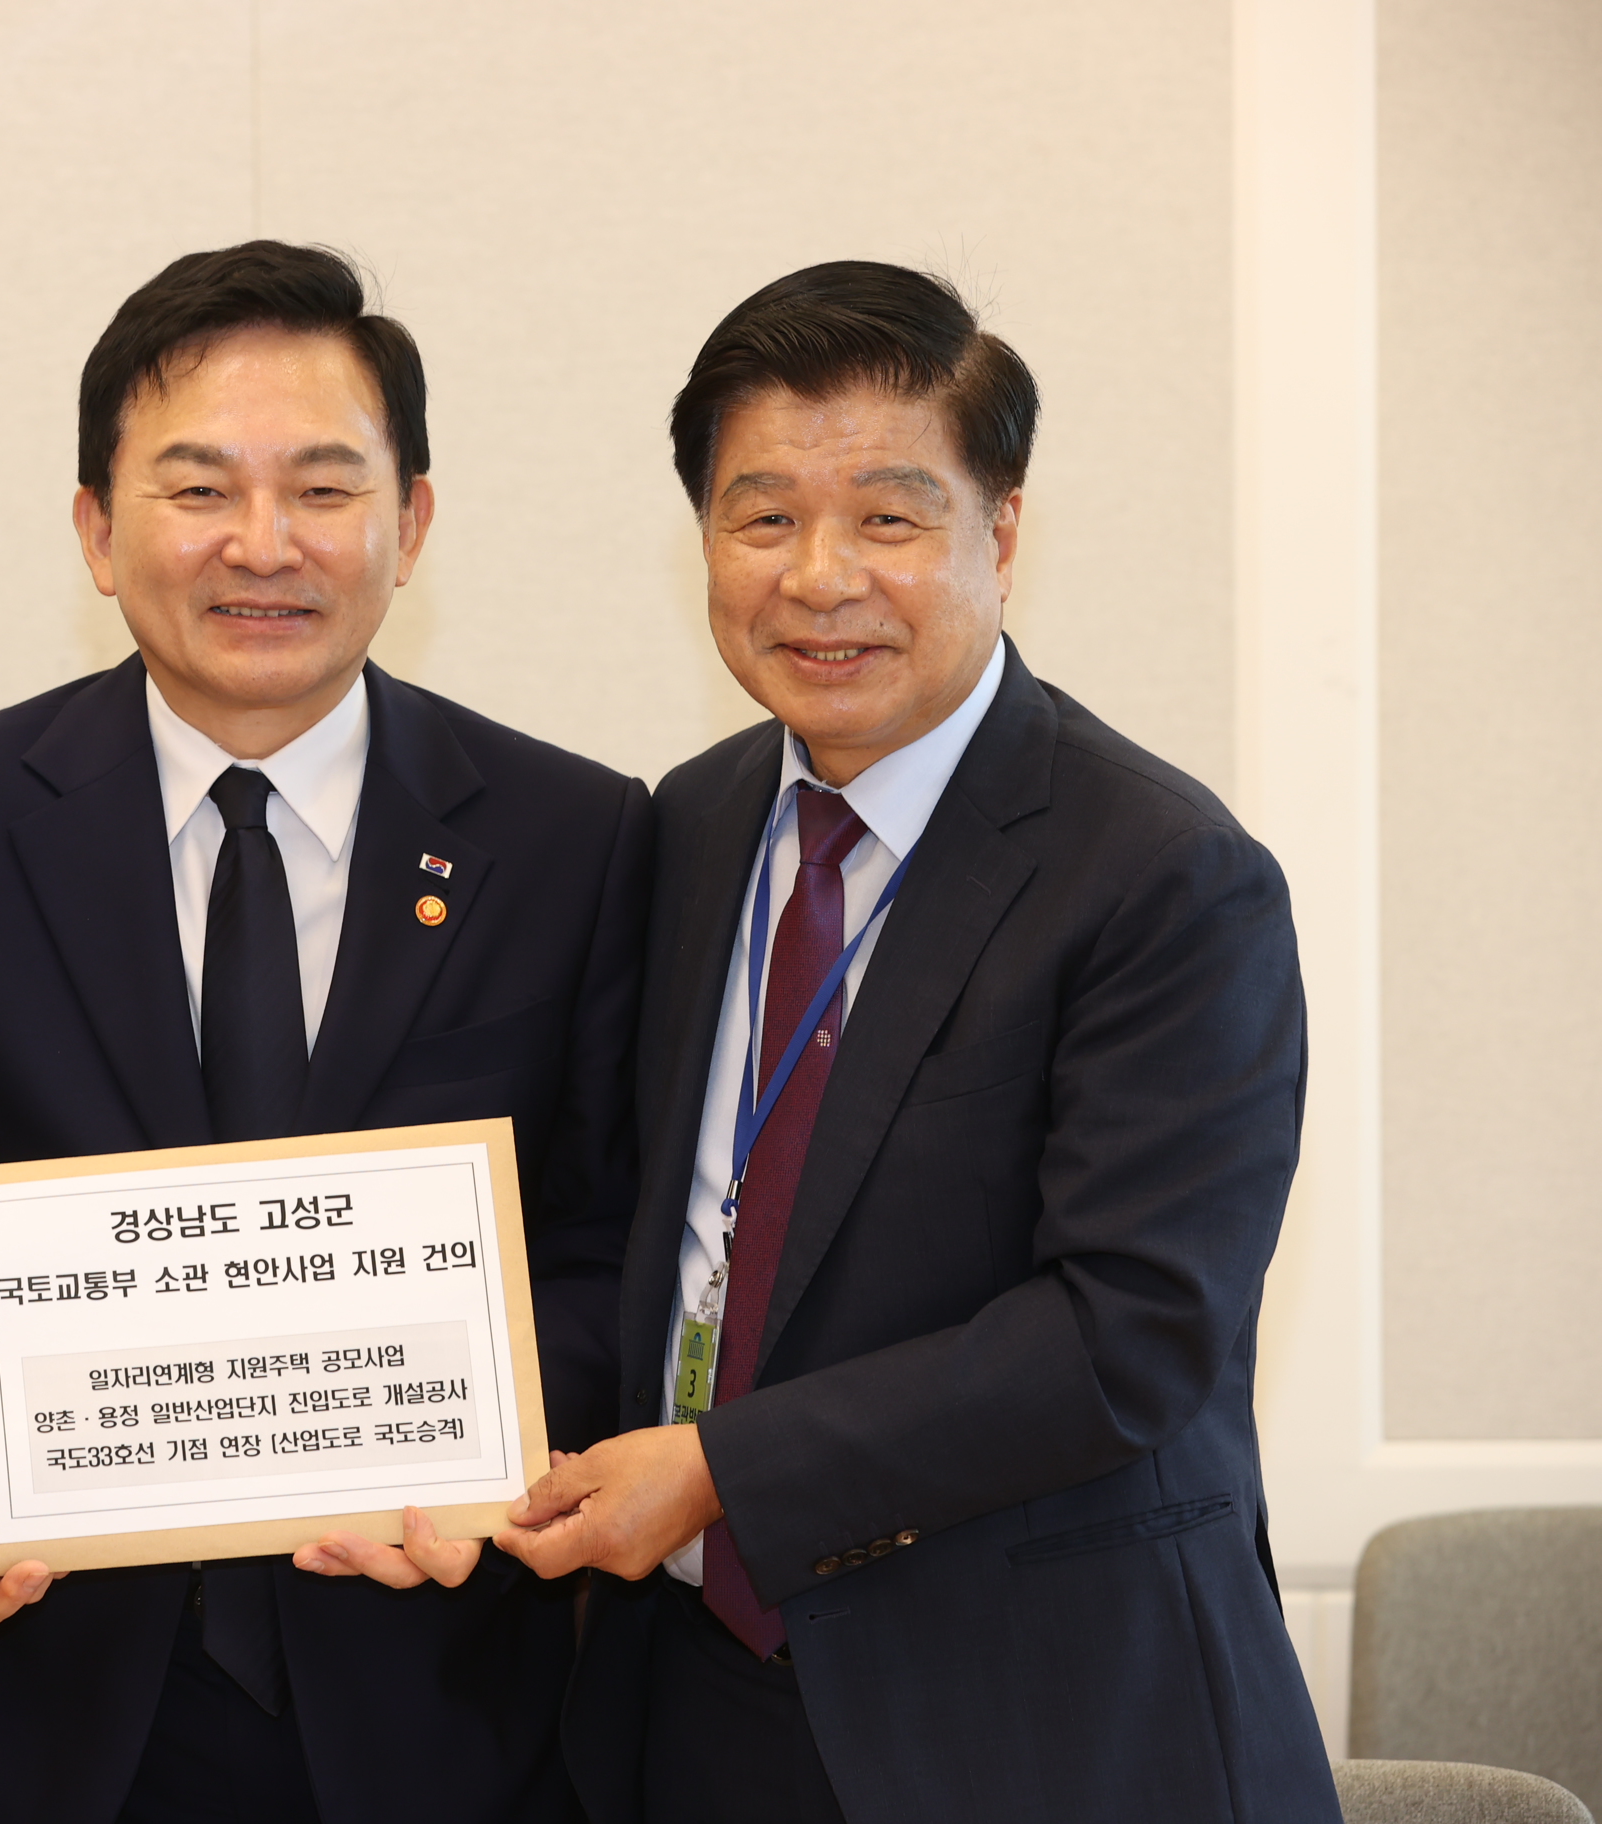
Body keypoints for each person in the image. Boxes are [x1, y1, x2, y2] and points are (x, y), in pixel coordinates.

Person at [0, 240, 649, 1824]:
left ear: (413, 523)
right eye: (198, 490)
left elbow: (606, 1250)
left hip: (435, 1711)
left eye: (323, 488)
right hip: (21, 1706)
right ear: (96, 532)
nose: (263, 543)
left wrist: (488, 1448)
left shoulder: (571, 836)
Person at [492, 260, 1341, 1823]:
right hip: (691, 1698)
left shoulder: (1162, 872)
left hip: (1031, 1719)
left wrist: (725, 1472)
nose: (821, 578)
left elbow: (1129, 1333)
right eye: (763, 518)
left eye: (889, 518)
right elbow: (646, 1238)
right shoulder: (688, 828)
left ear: (1000, 534)